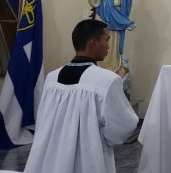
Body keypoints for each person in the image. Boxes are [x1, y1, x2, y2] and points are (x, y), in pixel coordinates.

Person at [24, 19, 138, 173]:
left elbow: (44, 119)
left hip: (52, 154)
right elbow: (123, 124)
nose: (108, 46)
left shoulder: (52, 78)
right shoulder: (107, 80)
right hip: (88, 155)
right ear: (93, 42)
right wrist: (97, 134)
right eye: (106, 40)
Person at [88, 0, 135, 92]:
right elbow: (92, 0)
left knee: (112, 45)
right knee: (100, 42)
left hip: (115, 20)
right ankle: (100, 69)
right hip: (101, 18)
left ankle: (114, 69)